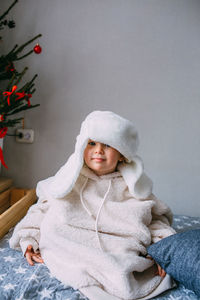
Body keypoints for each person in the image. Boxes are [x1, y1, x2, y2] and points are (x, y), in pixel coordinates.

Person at [10, 111, 176, 300]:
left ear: (122, 154)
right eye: (92, 143)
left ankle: (112, 268)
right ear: (82, 146)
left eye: (107, 145)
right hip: (69, 244)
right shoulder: (69, 180)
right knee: (55, 223)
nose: (98, 150)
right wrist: (29, 238)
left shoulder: (132, 187)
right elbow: (43, 208)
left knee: (124, 266)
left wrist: (162, 250)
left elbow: (154, 220)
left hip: (117, 247)